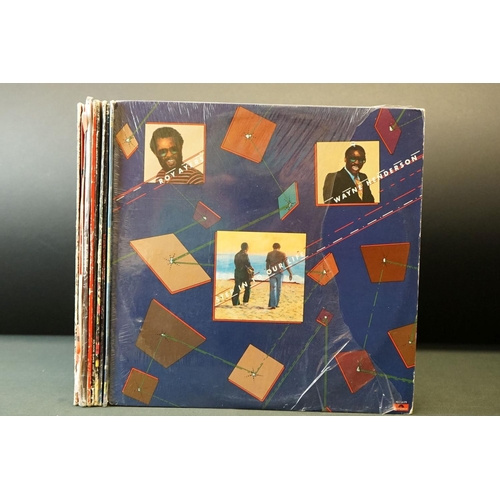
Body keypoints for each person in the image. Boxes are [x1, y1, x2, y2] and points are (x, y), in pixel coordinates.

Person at [266, 243, 293, 309]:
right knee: (278, 289)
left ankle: (273, 304)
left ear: (273, 247)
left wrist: (268, 272)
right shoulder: (282, 254)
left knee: (273, 288)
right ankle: (276, 304)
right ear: (279, 247)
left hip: (272, 273)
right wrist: (290, 273)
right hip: (280, 273)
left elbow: (267, 265)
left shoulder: (269, 254)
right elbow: (286, 265)